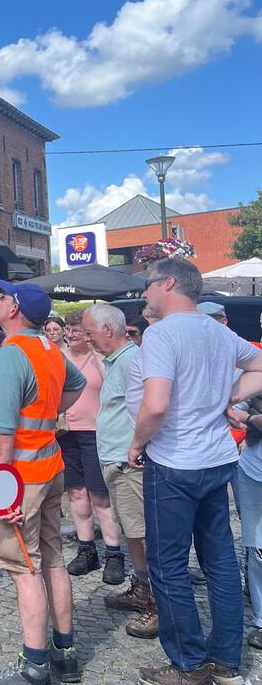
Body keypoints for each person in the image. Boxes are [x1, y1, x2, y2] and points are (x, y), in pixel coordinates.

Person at [129, 257, 262, 685]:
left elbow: (156, 404)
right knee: (220, 561)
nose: (145, 292)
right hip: (217, 459)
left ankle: (188, 664)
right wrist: (224, 395)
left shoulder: (162, 334)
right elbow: (258, 367)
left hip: (174, 461)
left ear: (169, 283)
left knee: (167, 565)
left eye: (148, 284)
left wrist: (137, 442)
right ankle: (226, 662)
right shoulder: (219, 332)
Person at [0, 280, 87, 685]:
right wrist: (48, 416)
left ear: (15, 310)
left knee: (23, 570)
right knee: (53, 559)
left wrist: (2, 494)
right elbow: (77, 386)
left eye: (2, 298)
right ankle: (65, 654)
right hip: (48, 468)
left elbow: (1, 433)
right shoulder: (48, 350)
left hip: (18, 480)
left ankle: (34, 666)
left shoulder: (10, 356)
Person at [82, 304, 158, 639]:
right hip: (116, 459)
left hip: (128, 463)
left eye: (90, 333)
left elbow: (149, 408)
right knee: (132, 531)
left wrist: (135, 450)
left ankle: (156, 602)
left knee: (142, 534)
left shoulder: (131, 361)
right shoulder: (116, 361)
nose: (87, 339)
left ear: (108, 331)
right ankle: (142, 588)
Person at [58, 310, 124, 584]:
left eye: (77, 329)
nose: (71, 334)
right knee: (76, 493)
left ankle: (113, 554)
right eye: (68, 329)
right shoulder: (59, 357)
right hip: (66, 432)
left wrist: (97, 354)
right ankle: (86, 549)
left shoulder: (100, 359)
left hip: (95, 434)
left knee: (100, 497)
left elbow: (113, 385)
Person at [226, 372, 262, 654]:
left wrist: (248, 418)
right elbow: (235, 404)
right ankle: (261, 622)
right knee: (256, 548)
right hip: (253, 469)